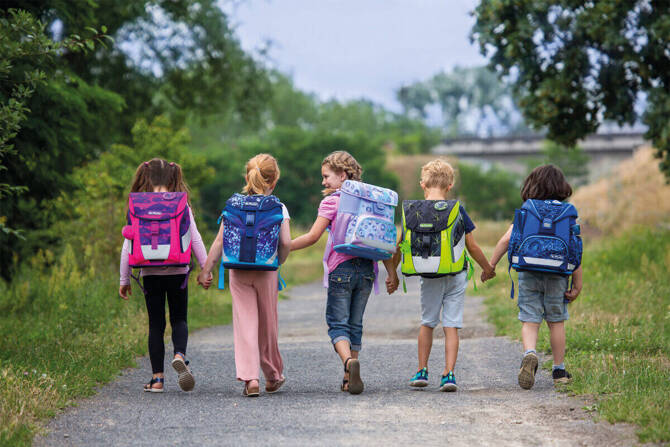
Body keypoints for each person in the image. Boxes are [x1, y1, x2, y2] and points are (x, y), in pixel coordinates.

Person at [291, 150, 399, 395]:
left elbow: (312, 236)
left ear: (342, 175)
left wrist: (284, 246)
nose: (323, 182)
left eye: (326, 176)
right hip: (368, 271)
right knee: (355, 324)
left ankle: (349, 363)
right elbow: (383, 242)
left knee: (337, 324)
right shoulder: (374, 199)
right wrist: (391, 273)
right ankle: (349, 380)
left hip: (341, 267)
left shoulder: (332, 201)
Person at [387, 159, 495, 392]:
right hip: (455, 274)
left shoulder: (411, 211)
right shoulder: (457, 209)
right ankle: (448, 374)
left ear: (422, 184)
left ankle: (422, 370)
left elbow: (399, 245)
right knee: (451, 324)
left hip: (429, 274)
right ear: (450, 185)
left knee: (427, 322)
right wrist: (487, 268)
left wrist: (393, 275)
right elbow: (472, 246)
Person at [198, 154, 290, 397]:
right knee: (268, 324)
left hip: (238, 271)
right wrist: (277, 262)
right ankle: (272, 375)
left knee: (245, 323)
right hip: (266, 271)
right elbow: (286, 243)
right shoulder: (278, 207)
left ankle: (251, 379)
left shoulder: (234, 205)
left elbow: (219, 241)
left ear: (247, 176)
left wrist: (206, 269)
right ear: (274, 180)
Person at [119, 158, 211, 393]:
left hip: (150, 272)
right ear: (173, 178)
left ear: (146, 178)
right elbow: (195, 238)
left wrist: (125, 279)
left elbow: (127, 244)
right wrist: (205, 267)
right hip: (178, 271)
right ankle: (180, 354)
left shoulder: (138, 206)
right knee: (179, 318)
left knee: (156, 325)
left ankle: (157, 379)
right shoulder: (180, 204)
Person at [487, 164, 583, 389]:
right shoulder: (568, 213)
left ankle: (530, 353)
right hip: (558, 275)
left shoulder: (527, 210)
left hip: (529, 271)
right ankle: (559, 370)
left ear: (532, 185)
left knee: (530, 319)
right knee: (556, 321)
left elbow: (505, 241)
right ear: (562, 187)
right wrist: (577, 283)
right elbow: (575, 249)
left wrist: (490, 266)